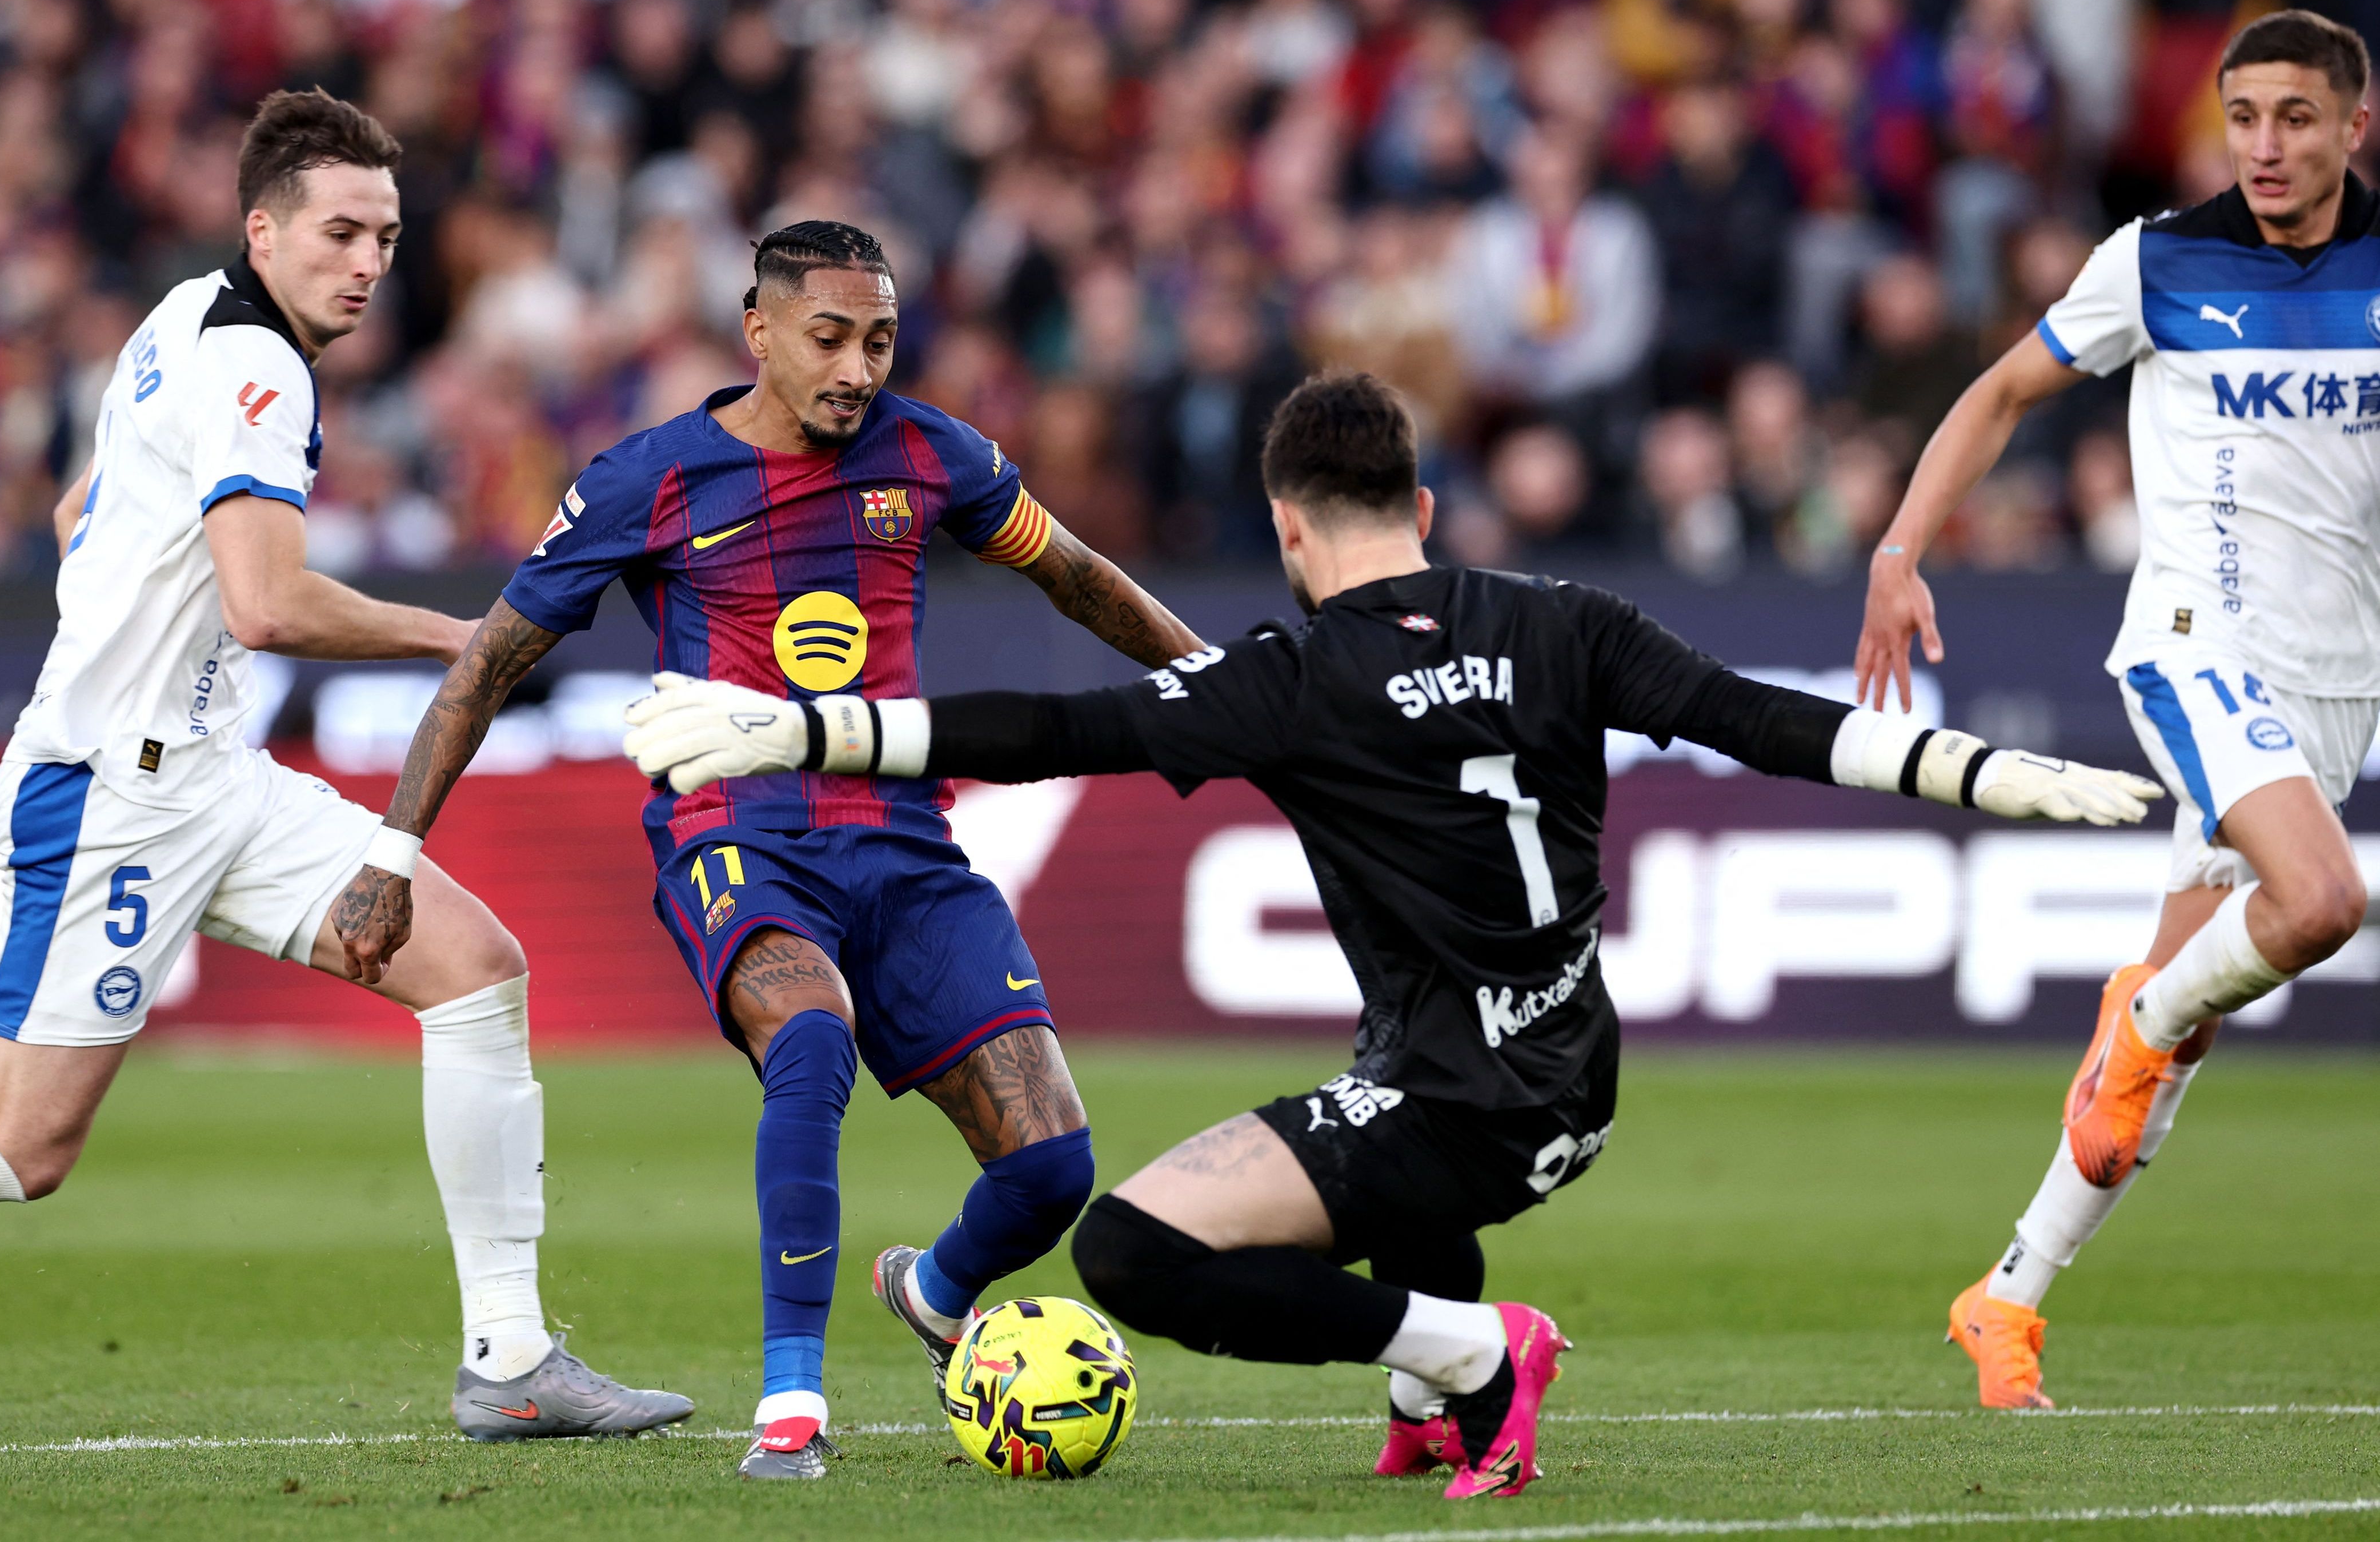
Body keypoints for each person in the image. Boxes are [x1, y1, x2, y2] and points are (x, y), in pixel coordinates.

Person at [622, 370, 2161, 1499]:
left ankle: (1473, 1355)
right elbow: (1765, 724)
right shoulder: (1564, 620)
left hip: (1459, 1113)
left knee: (1129, 1248)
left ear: (1287, 529)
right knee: (1366, 1074)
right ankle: (1434, 1404)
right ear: (1419, 510)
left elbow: (1042, 726)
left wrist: (792, 727)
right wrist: (1978, 775)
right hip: (1571, 1082)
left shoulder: (1289, 674)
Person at [0, 89, 693, 1441]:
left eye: (384, 233)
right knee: (16, 1147)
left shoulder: (180, 318)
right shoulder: (258, 370)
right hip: (113, 795)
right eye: (338, 232)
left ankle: (508, 1356)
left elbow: (78, 504)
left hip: (209, 770)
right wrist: (473, 637)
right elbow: (265, 604)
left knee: (478, 971)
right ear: (264, 230)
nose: (369, 261)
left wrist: (139, 603)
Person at [324, 220, 1207, 1480]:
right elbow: (491, 660)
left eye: (881, 340)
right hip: (735, 831)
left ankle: (934, 1287)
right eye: (831, 337)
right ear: (760, 332)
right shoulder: (651, 478)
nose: (858, 367)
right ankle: (791, 1396)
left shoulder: (929, 453)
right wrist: (392, 849)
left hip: (903, 837)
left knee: (1054, 1166)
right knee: (811, 1036)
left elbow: (1073, 576)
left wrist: (1225, 689)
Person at [1854, 10, 2380, 1411]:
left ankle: (2006, 1294)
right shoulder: (2156, 259)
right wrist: (1899, 550)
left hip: (2339, 686)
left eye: (2293, 118)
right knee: (2319, 901)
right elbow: (2000, 391)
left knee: (2184, 1048)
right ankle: (2137, 1015)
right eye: (2243, 115)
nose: (2264, 144)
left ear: (2351, 127)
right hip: (2197, 647)